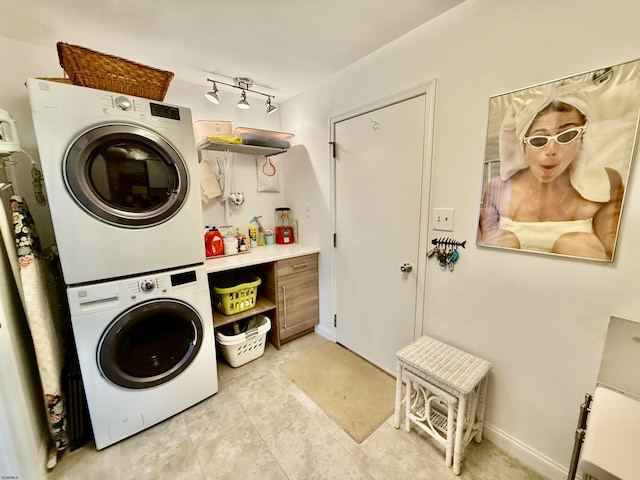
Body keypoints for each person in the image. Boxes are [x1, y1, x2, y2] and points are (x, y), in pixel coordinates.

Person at [478, 84, 624, 260]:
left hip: (575, 286)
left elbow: (615, 259)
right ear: (523, 145)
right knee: (502, 240)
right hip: (507, 283)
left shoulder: (604, 184)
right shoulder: (498, 188)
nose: (551, 150)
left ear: (582, 138)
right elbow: (482, 255)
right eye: (539, 140)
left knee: (578, 245)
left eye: (566, 136)